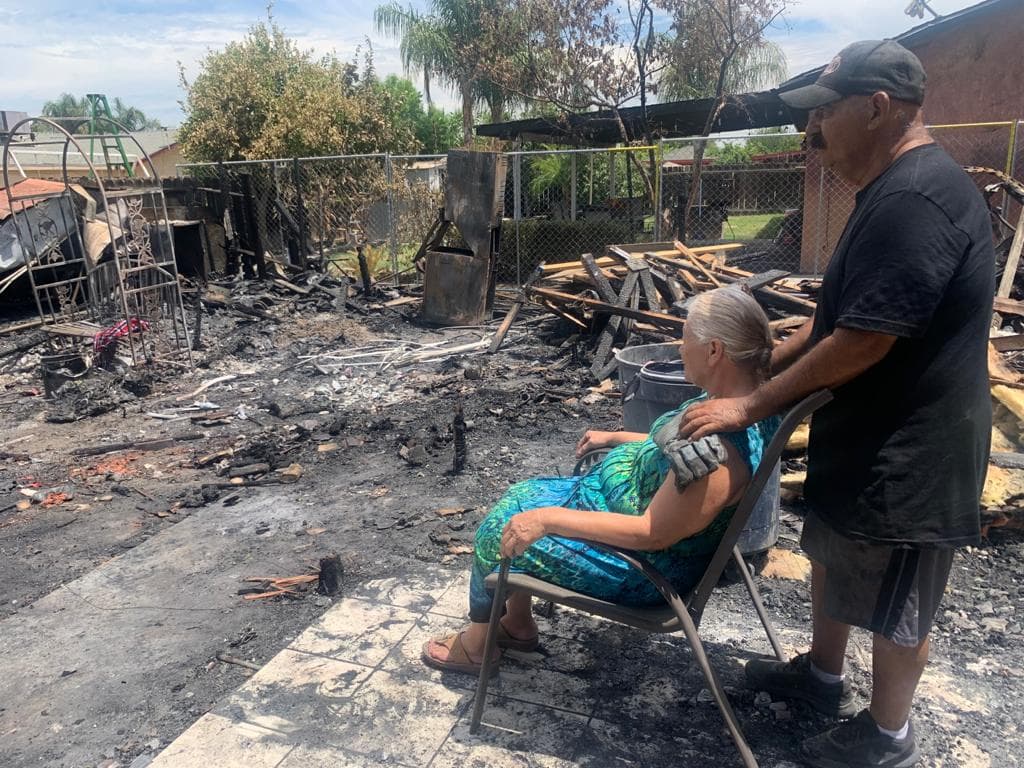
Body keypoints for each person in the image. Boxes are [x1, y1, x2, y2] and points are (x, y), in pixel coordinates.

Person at [680, 40, 994, 768]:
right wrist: (761, 364)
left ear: (878, 108)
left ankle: (887, 735)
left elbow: (865, 340)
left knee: (898, 599)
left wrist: (748, 407)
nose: (811, 129)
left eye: (825, 111)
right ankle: (822, 679)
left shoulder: (916, 199)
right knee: (830, 549)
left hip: (915, 448)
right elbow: (831, 323)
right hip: (865, 433)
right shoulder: (886, 190)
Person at [422, 287, 781, 674]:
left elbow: (652, 533)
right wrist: (615, 438)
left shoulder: (717, 458)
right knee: (522, 496)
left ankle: (476, 647)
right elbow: (666, 448)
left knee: (501, 528)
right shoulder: (736, 405)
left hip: (642, 569)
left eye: (685, 338)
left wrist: (548, 520)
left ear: (714, 351)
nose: (680, 349)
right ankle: (517, 624)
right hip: (617, 514)